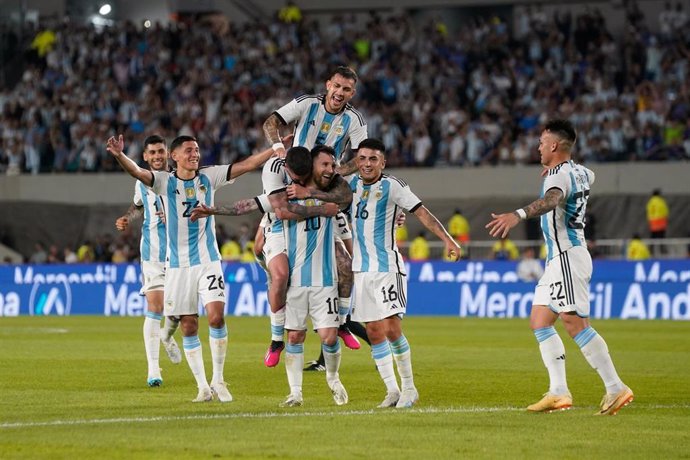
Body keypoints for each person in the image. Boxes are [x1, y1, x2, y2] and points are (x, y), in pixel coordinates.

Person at [106, 134, 275, 403]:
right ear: (175, 156)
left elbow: (245, 165)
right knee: (188, 324)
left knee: (217, 317)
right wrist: (118, 155)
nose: (195, 154)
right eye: (189, 150)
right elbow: (137, 171)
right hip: (178, 265)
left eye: (197, 149)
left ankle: (219, 379)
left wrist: (274, 149)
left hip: (208, 260)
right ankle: (203, 387)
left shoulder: (210, 177)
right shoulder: (164, 182)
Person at [486, 119, 633, 415]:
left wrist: (518, 214)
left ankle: (616, 387)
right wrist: (559, 171)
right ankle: (558, 391)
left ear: (554, 146)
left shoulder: (560, 176)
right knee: (540, 320)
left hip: (568, 255)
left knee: (574, 323)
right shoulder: (579, 172)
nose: (539, 147)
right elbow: (589, 175)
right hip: (557, 259)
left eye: (542, 142)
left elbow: (552, 200)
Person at [259, 66, 368, 365]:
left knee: (345, 265)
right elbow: (272, 121)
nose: (340, 93)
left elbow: (360, 159)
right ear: (328, 85)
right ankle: (276, 339)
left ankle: (343, 323)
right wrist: (280, 148)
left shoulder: (355, 120)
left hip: (321, 196)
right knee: (276, 268)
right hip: (291, 193)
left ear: (352, 93)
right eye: (337, 86)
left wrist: (331, 173)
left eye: (346, 90)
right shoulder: (307, 104)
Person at [348, 138, 460, 409]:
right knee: (373, 331)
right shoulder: (349, 185)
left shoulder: (393, 186)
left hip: (387, 267)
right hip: (361, 270)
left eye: (373, 159)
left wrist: (447, 239)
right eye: (362, 158)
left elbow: (421, 212)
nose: (366, 164)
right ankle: (392, 390)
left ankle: (410, 388)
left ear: (382, 162)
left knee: (391, 328)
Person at [114, 134, 182, 387]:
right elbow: (138, 207)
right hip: (152, 253)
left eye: (160, 151)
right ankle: (154, 369)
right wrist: (126, 218)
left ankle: (166, 335)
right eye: (152, 152)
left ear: (168, 153)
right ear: (145, 156)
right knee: (155, 307)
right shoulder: (142, 182)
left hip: (180, 254)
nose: (156, 156)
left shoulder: (180, 179)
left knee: (179, 312)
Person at [646, 188, 668, 255]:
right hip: (661, 222)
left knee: (653, 238)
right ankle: (662, 251)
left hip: (653, 222)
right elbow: (666, 211)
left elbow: (648, 212)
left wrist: (650, 220)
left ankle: (651, 251)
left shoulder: (650, 202)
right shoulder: (661, 201)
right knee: (662, 238)